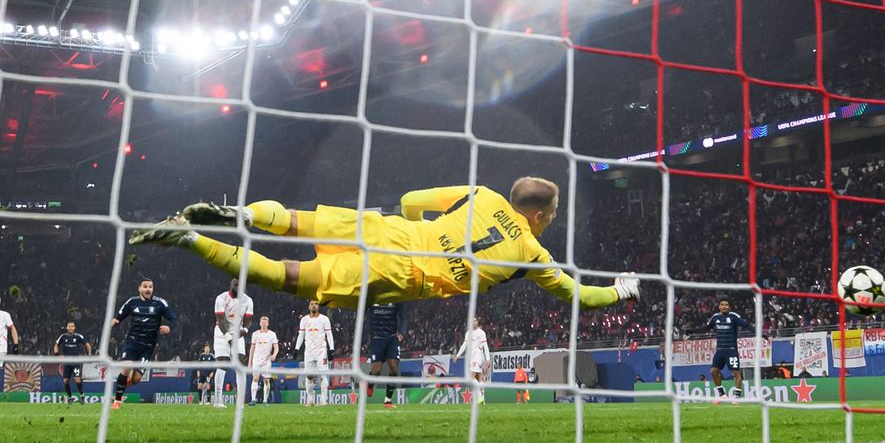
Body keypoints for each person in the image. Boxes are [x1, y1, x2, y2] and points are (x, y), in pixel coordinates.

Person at [129, 177, 640, 310]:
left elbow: (412, 198)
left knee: (298, 221)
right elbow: (582, 298)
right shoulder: (534, 255)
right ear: (536, 214)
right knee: (287, 276)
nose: (550, 221)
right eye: (550, 215)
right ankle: (193, 239)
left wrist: (420, 226)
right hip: (405, 274)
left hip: (392, 229)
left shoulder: (481, 195)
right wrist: (622, 290)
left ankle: (238, 212)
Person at [110, 277, 176, 409]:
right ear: (139, 288)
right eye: (145, 286)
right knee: (127, 366)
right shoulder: (132, 302)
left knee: (136, 379)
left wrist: (169, 327)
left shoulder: (160, 303)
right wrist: (115, 321)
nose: (148, 289)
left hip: (148, 346)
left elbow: (173, 318)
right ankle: (117, 400)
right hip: (132, 343)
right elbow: (119, 316)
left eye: (150, 287)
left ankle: (125, 382)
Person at [690, 298, 753, 403]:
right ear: (719, 307)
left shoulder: (734, 316)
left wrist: (759, 333)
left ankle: (737, 398)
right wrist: (692, 331)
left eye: (726, 305)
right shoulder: (715, 317)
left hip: (731, 350)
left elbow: (747, 325)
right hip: (720, 350)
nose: (724, 306)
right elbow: (706, 328)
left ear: (729, 307)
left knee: (736, 373)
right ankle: (722, 395)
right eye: (722, 304)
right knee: (713, 371)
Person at [213, 278, 253, 408]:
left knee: (240, 364)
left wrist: (244, 330)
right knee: (222, 362)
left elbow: (248, 320)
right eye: (235, 284)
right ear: (230, 285)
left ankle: (240, 401)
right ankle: (218, 400)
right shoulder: (221, 298)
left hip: (238, 332)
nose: (238, 286)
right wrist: (228, 336)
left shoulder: (248, 300)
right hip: (221, 331)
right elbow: (220, 320)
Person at [364, 301, 405, 408]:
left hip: (392, 338)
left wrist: (402, 332)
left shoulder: (395, 298)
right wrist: (364, 337)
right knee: (376, 371)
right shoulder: (372, 297)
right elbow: (362, 315)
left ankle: (388, 400)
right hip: (377, 339)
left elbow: (403, 316)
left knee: (394, 368)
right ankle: (370, 381)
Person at [295, 300, 334, 406]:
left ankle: (323, 401)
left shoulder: (324, 319)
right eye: (312, 304)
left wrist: (331, 349)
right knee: (309, 377)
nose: (314, 306)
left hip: (321, 351)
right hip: (309, 352)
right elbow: (301, 335)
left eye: (316, 304)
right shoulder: (304, 320)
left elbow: (329, 334)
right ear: (309, 306)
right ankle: (311, 400)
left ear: (318, 306)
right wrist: (297, 348)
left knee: (323, 376)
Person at [455, 316, 492, 404]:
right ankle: (483, 399)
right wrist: (457, 355)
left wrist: (488, 359)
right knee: (479, 378)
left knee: (470, 377)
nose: (474, 322)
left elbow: (485, 346)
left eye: (475, 321)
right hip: (472, 357)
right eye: (472, 321)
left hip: (478, 357)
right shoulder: (468, 333)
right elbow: (464, 345)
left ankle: (479, 396)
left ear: (477, 322)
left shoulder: (481, 333)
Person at [53, 321, 91, 402]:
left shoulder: (78, 336)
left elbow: (87, 345)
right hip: (67, 363)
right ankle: (70, 397)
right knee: (65, 381)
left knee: (77, 379)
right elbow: (56, 345)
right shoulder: (63, 336)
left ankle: (82, 395)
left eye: (72, 326)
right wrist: (57, 354)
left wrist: (89, 355)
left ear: (74, 328)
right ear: (67, 327)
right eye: (69, 326)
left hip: (75, 363)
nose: (70, 328)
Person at [248, 316, 280, 405]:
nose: (264, 323)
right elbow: (252, 348)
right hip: (256, 359)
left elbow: (276, 347)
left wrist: (274, 354)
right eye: (262, 322)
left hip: (266, 360)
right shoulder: (255, 334)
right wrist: (249, 362)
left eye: (265, 322)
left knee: (266, 380)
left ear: (268, 323)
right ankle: (253, 399)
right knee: (255, 379)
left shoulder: (272, 334)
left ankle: (265, 400)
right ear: (260, 323)